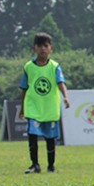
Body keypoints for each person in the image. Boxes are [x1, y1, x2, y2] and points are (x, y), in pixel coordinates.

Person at [18, 32, 70, 174]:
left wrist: (66, 96)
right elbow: (24, 88)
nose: (43, 49)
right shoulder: (29, 67)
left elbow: (61, 83)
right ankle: (35, 165)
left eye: (45, 46)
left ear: (51, 48)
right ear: (34, 48)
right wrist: (22, 108)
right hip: (33, 107)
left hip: (49, 108)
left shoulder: (55, 66)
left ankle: (51, 166)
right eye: (39, 46)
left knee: (50, 137)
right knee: (32, 135)